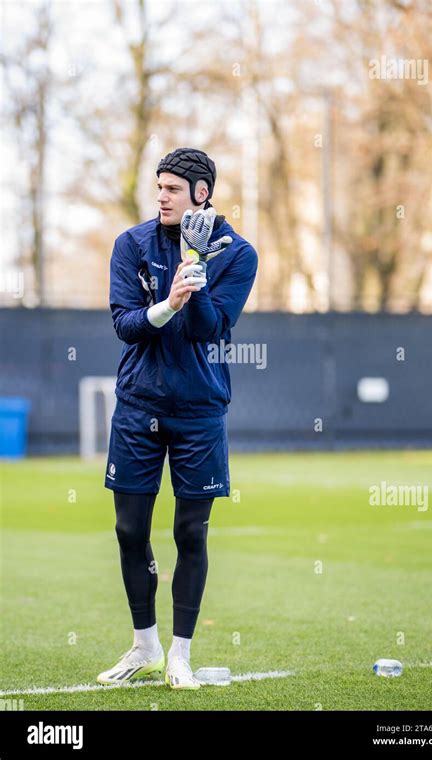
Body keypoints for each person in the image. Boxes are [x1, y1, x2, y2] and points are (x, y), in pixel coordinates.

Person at [97, 147, 258, 689]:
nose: (160, 196)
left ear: (201, 193)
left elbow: (208, 330)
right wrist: (167, 302)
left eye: (170, 188)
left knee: (191, 532)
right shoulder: (131, 244)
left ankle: (180, 655)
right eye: (158, 186)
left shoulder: (238, 253)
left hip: (200, 410)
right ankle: (144, 645)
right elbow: (126, 324)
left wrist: (199, 275)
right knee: (129, 529)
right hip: (139, 405)